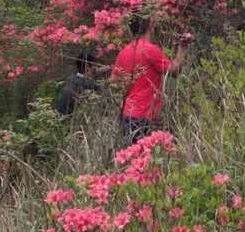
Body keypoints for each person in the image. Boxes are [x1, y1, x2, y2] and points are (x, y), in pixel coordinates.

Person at [111, 15, 187, 144]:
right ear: (150, 26)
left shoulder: (124, 51)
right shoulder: (151, 50)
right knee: (147, 159)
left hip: (127, 114)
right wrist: (182, 49)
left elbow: (113, 82)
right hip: (146, 115)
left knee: (132, 158)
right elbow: (174, 71)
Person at [55, 50, 100, 116]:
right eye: (94, 66)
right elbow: (101, 88)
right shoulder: (87, 83)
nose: (96, 68)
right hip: (68, 118)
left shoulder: (72, 78)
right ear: (87, 67)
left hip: (58, 116)